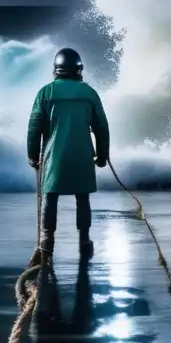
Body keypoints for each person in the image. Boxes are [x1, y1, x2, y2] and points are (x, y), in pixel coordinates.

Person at [27, 48, 110, 259]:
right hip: (82, 155)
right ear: (79, 69)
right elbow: (101, 127)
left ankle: (47, 239)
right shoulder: (89, 93)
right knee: (82, 197)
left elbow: (34, 126)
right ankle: (84, 239)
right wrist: (102, 155)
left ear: (56, 69)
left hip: (54, 157)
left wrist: (32, 155)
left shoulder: (46, 92)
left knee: (50, 196)